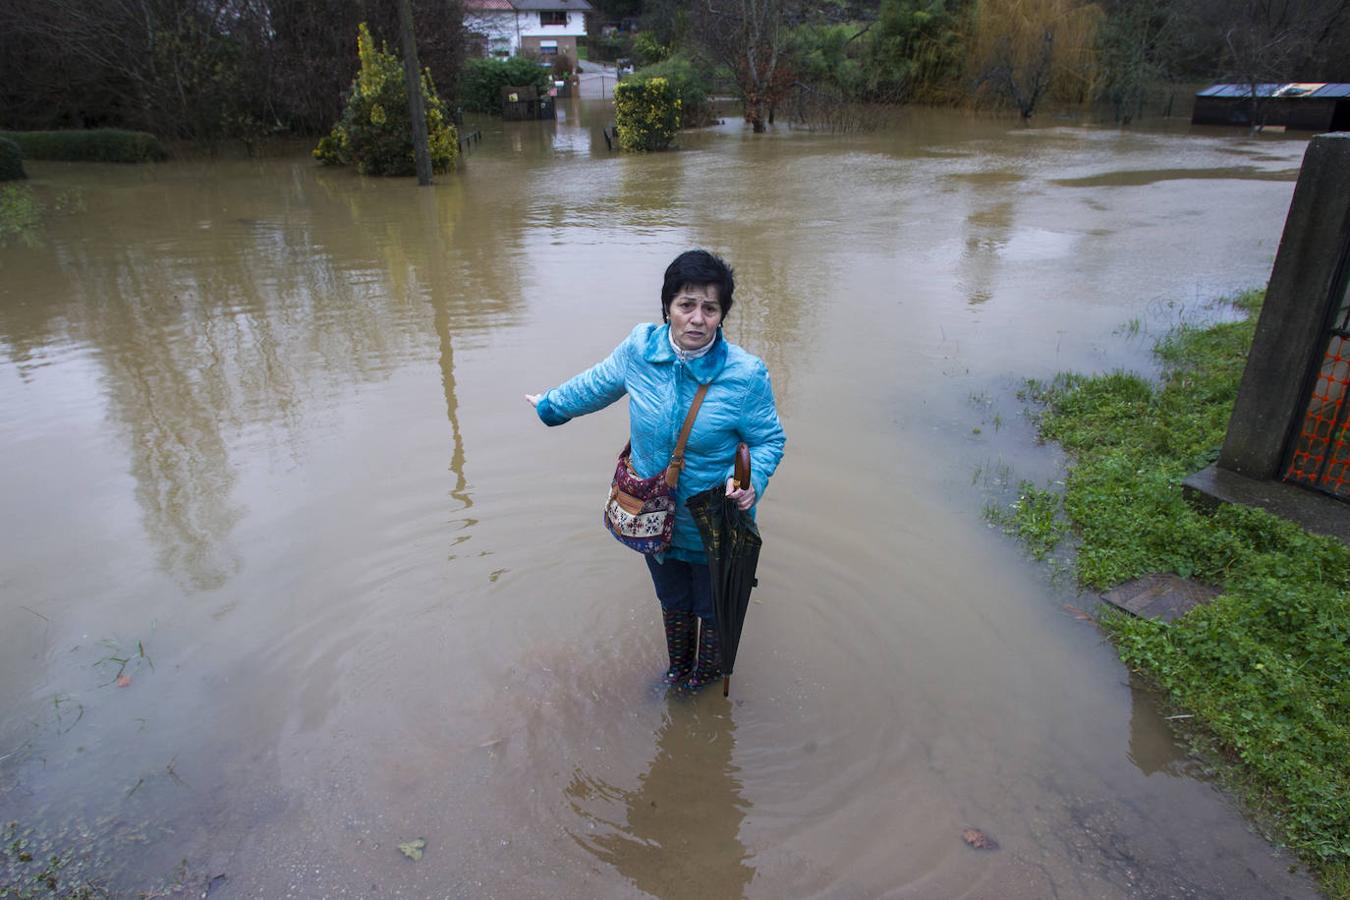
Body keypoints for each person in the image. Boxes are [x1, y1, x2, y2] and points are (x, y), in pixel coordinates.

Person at [525, 250, 786, 691]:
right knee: (673, 602)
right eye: (686, 305)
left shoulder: (745, 375)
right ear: (667, 307)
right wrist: (551, 406)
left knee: (713, 610)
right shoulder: (639, 351)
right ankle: (676, 674)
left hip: (714, 522)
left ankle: (700, 686)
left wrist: (749, 483)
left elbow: (766, 440)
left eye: (710, 307)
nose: (697, 318)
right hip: (655, 516)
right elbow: (596, 385)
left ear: (722, 315)